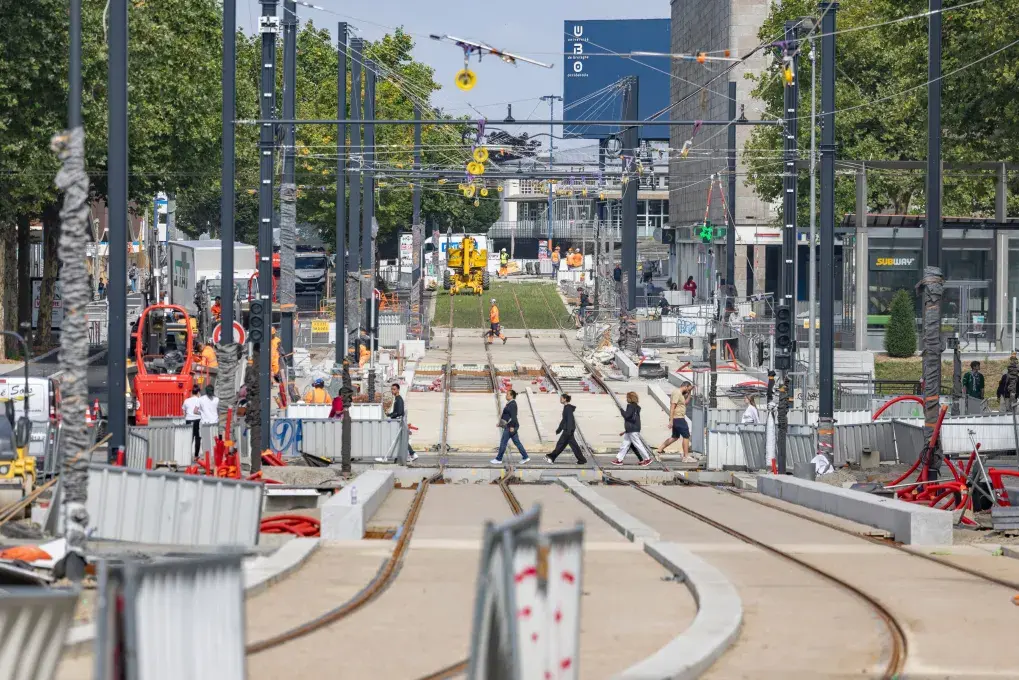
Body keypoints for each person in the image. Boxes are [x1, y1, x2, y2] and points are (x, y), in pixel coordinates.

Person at [377, 383, 418, 462]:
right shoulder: (396, 398)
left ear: (398, 390)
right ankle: (412, 454)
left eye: (394, 389)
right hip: (398, 422)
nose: (393, 391)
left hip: (399, 422)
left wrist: (390, 415)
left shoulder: (399, 399)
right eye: (392, 389)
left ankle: (411, 454)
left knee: (400, 439)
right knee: (402, 439)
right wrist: (390, 414)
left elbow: (399, 412)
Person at [658, 382, 695, 462]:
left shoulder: (680, 394)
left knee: (675, 437)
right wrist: (671, 420)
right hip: (678, 418)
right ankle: (686, 456)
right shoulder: (677, 393)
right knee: (686, 436)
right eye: (688, 389)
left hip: (678, 418)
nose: (688, 390)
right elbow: (672, 406)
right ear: (686, 386)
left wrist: (689, 393)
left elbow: (685, 403)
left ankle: (659, 450)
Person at [613, 392, 653, 466]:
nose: (626, 399)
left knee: (638, 444)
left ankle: (647, 458)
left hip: (632, 429)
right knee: (625, 444)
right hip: (632, 429)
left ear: (630, 398)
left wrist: (621, 410)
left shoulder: (630, 406)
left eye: (627, 397)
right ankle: (619, 459)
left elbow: (627, 416)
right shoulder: (637, 407)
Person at [545, 394, 586, 465]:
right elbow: (564, 420)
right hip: (568, 429)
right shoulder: (566, 407)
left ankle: (551, 457)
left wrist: (569, 430)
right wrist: (559, 429)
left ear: (565, 399)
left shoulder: (568, 408)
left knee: (560, 444)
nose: (560, 399)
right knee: (573, 446)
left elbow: (569, 419)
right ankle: (582, 460)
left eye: (561, 398)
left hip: (568, 430)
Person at [491, 389, 530, 465]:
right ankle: (525, 457)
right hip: (511, 426)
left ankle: (498, 459)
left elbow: (513, 417)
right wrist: (500, 424)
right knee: (517, 443)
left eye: (507, 394)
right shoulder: (510, 403)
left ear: (511, 396)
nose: (506, 395)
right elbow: (506, 416)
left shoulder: (512, 404)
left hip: (509, 427)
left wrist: (512, 426)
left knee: (503, 443)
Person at [182, 386, 202, 459]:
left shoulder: (186, 400)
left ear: (192, 392)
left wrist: (186, 416)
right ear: (198, 392)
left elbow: (184, 411)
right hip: (197, 420)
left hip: (188, 420)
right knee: (197, 437)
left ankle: (187, 455)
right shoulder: (200, 400)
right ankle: (196, 456)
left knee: (189, 438)